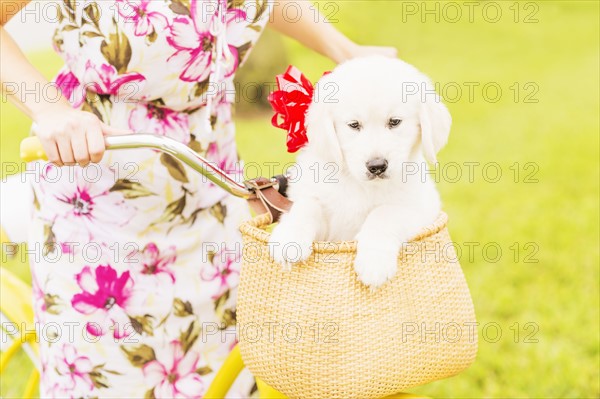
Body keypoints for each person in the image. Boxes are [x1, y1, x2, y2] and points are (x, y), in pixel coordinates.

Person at [0, 0, 396, 397]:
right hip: (99, 203)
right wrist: (48, 109)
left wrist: (347, 52)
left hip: (213, 192)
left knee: (230, 377)